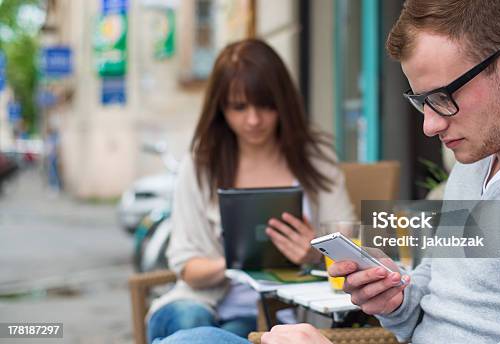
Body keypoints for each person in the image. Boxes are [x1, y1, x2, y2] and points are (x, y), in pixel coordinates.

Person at [261, 1, 500, 343]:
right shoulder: (474, 162)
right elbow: (431, 303)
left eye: (443, 97)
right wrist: (396, 298)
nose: (429, 125)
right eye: (421, 102)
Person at [146, 39, 355, 343]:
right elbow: (188, 267)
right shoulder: (201, 165)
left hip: (275, 316)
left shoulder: (315, 157)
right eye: (239, 107)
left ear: (282, 101)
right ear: (220, 108)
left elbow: (347, 238)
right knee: (192, 322)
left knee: (215, 337)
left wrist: (313, 253)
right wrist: (237, 260)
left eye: (265, 105)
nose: (254, 120)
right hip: (196, 302)